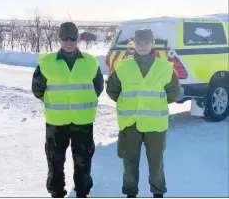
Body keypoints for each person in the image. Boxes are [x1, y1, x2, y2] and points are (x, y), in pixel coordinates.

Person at [32, 22, 104, 198]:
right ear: (59, 39)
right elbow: (37, 88)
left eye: (72, 38)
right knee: (55, 162)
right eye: (65, 38)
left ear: (78, 39)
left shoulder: (91, 62)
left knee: (83, 161)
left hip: (83, 121)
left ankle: (82, 192)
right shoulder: (46, 62)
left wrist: (82, 101)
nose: (68, 42)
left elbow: (98, 87)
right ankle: (56, 193)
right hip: (56, 122)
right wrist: (53, 101)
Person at [106, 28, 181, 198]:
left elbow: (173, 92)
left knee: (156, 163)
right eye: (138, 42)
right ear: (133, 44)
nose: (142, 45)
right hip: (130, 124)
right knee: (129, 163)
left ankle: (158, 193)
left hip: (155, 126)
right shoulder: (123, 67)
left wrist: (155, 104)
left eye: (146, 42)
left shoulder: (165, 68)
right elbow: (112, 90)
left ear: (153, 44)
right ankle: (130, 194)